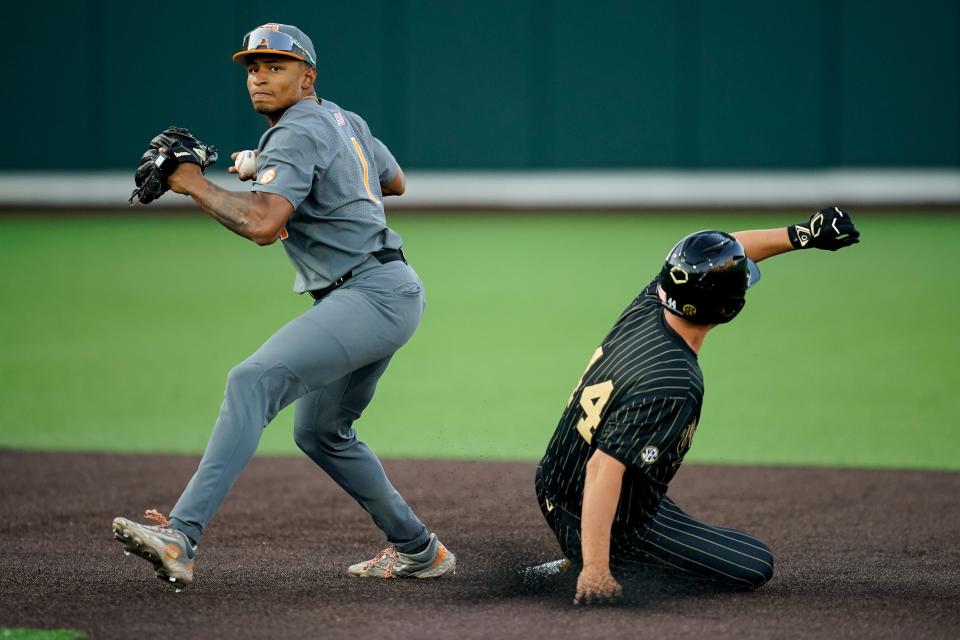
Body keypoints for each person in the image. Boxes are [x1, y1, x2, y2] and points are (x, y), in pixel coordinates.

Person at [112, 23, 455, 589]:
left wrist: (192, 181)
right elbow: (391, 181)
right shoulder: (344, 119)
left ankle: (181, 534)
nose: (260, 77)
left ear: (307, 76)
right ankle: (420, 549)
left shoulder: (295, 131)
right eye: (253, 67)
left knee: (252, 380)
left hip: (366, 295)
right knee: (321, 433)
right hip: (387, 291)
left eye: (275, 66)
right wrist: (264, 168)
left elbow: (265, 223)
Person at [532, 208, 859, 605]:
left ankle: (589, 551)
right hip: (588, 506)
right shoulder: (676, 382)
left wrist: (802, 234)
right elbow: (604, 468)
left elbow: (720, 253)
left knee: (663, 503)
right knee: (753, 562)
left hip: (556, 476)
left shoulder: (651, 306)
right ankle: (593, 561)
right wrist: (596, 570)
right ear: (728, 309)